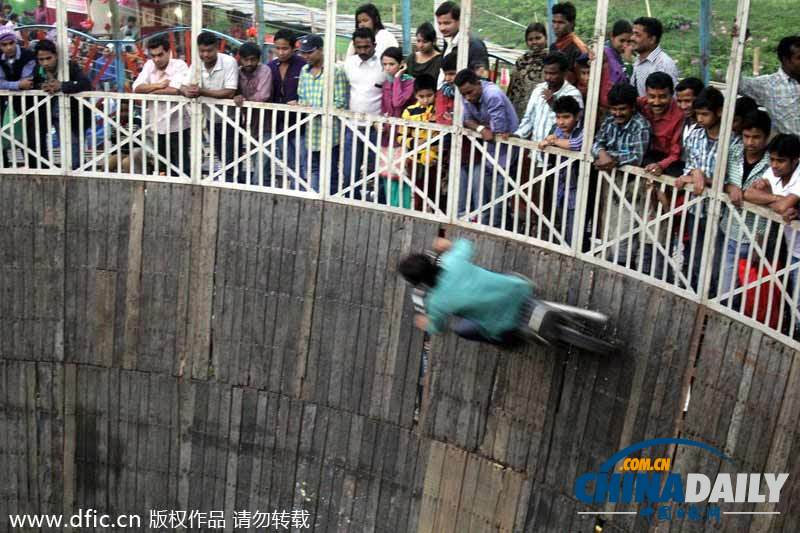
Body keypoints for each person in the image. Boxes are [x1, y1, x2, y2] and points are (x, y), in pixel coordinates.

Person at [398, 237, 534, 344]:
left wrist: (425, 323)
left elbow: (438, 328)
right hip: (520, 290)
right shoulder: (452, 260)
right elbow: (465, 244)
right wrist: (448, 245)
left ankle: (509, 342)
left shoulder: (435, 303)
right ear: (429, 260)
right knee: (501, 276)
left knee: (460, 329)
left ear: (417, 282)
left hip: (506, 325)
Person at [743, 133, 800, 323]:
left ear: (795, 160)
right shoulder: (774, 172)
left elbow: (783, 208)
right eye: (773, 160)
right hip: (791, 247)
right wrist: (777, 198)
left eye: (781, 161)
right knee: (790, 299)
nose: (774, 165)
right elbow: (749, 194)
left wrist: (772, 200)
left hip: (796, 249)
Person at [716, 110, 772, 300]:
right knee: (725, 287)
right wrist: (729, 186)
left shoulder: (772, 164)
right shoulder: (733, 152)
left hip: (755, 235)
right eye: (747, 136)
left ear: (767, 137)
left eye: (756, 137)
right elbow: (718, 179)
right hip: (729, 227)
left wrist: (760, 242)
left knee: (751, 294)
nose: (750, 142)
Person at [674, 86, 726, 288]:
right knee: (694, 253)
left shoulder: (731, 140)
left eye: (705, 114)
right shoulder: (695, 135)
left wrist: (702, 177)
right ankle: (692, 290)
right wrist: (693, 174)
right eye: (698, 114)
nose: (701, 119)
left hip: (721, 212)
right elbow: (690, 165)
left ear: (719, 111)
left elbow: (730, 179)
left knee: (716, 259)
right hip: (696, 207)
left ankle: (712, 297)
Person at [456, 68, 519, 227]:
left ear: (479, 84)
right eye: (464, 95)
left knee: (498, 200)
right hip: (489, 153)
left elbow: (498, 130)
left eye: (470, 92)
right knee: (488, 199)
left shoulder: (492, 95)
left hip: (507, 152)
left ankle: (495, 231)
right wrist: (481, 128)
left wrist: (480, 127)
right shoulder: (467, 95)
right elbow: (466, 120)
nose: (468, 98)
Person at [181, 32, 239, 182]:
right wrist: (185, 91)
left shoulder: (229, 62)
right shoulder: (197, 64)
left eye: (209, 51)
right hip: (211, 118)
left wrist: (201, 91)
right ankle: (227, 180)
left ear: (217, 48)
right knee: (220, 153)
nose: (205, 54)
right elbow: (184, 84)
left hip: (231, 119)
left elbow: (230, 91)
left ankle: (230, 183)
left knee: (231, 156)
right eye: (202, 51)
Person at [296, 34, 348, 193]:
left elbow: (340, 102)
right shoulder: (304, 70)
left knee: (330, 171)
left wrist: (316, 109)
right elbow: (301, 96)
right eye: (303, 53)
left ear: (320, 50)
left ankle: (330, 203)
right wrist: (302, 106)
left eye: (309, 52)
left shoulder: (336, 71)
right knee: (311, 169)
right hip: (310, 130)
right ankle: (314, 199)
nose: (305, 56)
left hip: (329, 131)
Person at [132, 35, 191, 176]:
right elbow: (137, 88)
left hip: (178, 125)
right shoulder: (149, 65)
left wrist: (150, 89)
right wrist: (158, 85)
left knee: (182, 165)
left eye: (160, 55)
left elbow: (175, 90)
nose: (157, 59)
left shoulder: (179, 65)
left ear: (168, 52)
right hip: (157, 125)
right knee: (163, 165)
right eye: (153, 56)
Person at [32, 39, 91, 169]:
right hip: (48, 112)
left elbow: (86, 84)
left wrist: (62, 86)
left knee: (74, 147)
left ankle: (78, 173)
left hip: (73, 113)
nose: (45, 63)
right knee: (41, 141)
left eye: (49, 58)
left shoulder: (69, 66)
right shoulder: (37, 69)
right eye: (41, 60)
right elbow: (34, 83)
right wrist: (42, 86)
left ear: (56, 55)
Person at [342, 27, 384, 198]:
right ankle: (350, 200)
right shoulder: (349, 64)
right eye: (359, 47)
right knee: (349, 171)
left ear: (374, 44)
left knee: (380, 170)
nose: (363, 51)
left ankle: (381, 203)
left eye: (366, 47)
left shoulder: (383, 64)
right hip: (352, 125)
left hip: (377, 127)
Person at [538, 95, 583, 245]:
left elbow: (576, 145)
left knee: (575, 232)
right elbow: (544, 150)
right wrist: (547, 143)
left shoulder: (584, 129)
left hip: (578, 189)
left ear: (577, 116)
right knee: (560, 227)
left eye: (566, 117)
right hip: (560, 187)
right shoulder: (555, 129)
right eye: (558, 117)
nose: (561, 122)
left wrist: (554, 142)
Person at [514, 51, 583, 146]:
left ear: (564, 73)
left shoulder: (573, 94)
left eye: (553, 74)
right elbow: (528, 119)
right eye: (546, 73)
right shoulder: (538, 90)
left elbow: (575, 125)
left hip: (559, 155)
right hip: (536, 150)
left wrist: (553, 103)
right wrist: (517, 135)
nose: (548, 77)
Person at [739, 36, 800, 136]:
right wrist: (740, 43)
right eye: (799, 58)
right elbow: (736, 83)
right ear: (785, 60)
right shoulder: (768, 85)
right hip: (790, 149)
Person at [267, 29, 307, 185]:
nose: (281, 52)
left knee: (304, 161)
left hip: (301, 123)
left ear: (294, 48)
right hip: (279, 123)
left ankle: (305, 191)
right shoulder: (271, 66)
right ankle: (294, 188)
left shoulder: (303, 65)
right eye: (278, 48)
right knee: (288, 161)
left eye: (285, 48)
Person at [233, 42, 272, 184]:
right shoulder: (238, 72)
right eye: (246, 59)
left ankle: (261, 191)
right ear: (240, 59)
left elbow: (263, 95)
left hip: (266, 124)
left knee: (261, 167)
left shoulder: (265, 71)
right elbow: (232, 90)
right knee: (256, 162)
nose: (249, 63)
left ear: (258, 59)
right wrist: (235, 96)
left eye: (253, 59)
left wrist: (244, 100)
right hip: (248, 125)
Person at [0, 27, 38, 168]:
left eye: (11, 43)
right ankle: (3, 167)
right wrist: (16, 85)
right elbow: (17, 83)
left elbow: (27, 82)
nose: (8, 47)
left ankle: (34, 168)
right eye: (4, 45)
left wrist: (9, 85)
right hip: (4, 101)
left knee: (28, 138)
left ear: (16, 42)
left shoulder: (28, 55)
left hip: (27, 103)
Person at [400, 74, 439, 210]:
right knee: (417, 190)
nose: (425, 100)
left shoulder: (438, 111)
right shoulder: (409, 112)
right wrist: (414, 143)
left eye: (429, 96)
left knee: (434, 191)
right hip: (415, 157)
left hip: (436, 157)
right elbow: (400, 136)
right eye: (421, 97)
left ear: (435, 93)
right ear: (415, 95)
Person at [639, 72, 684, 177]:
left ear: (672, 94)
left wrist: (660, 165)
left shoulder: (679, 115)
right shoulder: (640, 104)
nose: (656, 102)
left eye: (663, 97)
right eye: (652, 96)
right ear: (646, 94)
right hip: (645, 157)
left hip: (668, 163)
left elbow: (675, 154)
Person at [435, 1, 488, 86]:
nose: (442, 28)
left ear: (460, 20)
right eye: (439, 23)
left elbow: (480, 78)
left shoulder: (473, 45)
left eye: (447, 23)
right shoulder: (448, 40)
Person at [629, 17, 679, 97]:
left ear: (652, 39)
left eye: (637, 34)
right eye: (632, 34)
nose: (632, 38)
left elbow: (672, 99)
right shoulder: (637, 61)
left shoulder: (664, 64)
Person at [506, 23, 548, 119]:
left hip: (542, 108)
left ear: (546, 38)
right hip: (520, 109)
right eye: (530, 39)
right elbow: (512, 88)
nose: (534, 42)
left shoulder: (551, 60)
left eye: (538, 38)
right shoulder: (521, 61)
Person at [549, 2, 588, 85]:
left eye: (560, 22)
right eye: (554, 22)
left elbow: (583, 82)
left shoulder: (579, 49)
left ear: (571, 24)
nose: (556, 26)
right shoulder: (554, 46)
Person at [600, 20, 632, 110]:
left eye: (628, 41)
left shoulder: (616, 55)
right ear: (612, 37)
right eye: (621, 40)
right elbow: (622, 82)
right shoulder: (606, 55)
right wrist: (628, 62)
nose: (625, 45)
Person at [380, 46, 415, 118]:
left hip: (405, 125)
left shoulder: (410, 82)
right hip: (389, 125)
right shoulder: (387, 82)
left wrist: (397, 78)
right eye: (384, 64)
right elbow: (384, 108)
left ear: (401, 64)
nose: (387, 68)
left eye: (391, 64)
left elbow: (397, 102)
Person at [675, 77, 704, 145]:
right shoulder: (681, 122)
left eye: (687, 101)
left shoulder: (705, 127)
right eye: (679, 101)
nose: (683, 106)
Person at [435, 52, 457, 125]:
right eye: (445, 74)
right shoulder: (443, 91)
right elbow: (440, 118)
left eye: (452, 74)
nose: (447, 78)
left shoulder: (471, 92)